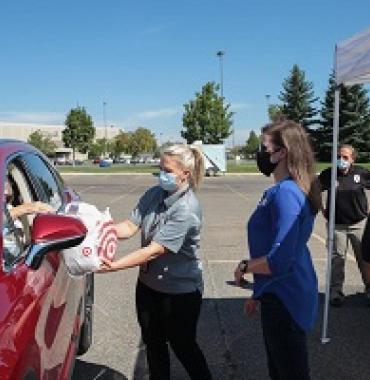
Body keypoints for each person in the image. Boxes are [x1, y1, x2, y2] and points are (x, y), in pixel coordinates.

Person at [99, 144, 212, 380]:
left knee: (184, 347)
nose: (162, 174)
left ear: (185, 174)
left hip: (179, 293)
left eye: (167, 170)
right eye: (160, 167)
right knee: (153, 344)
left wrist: (114, 266)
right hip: (149, 287)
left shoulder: (187, 209)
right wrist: (100, 230)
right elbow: (129, 227)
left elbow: (154, 251)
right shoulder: (154, 194)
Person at [235, 120, 321, 380]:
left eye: (264, 147)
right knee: (282, 368)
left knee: (289, 372)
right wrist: (259, 292)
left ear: (282, 153)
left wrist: (244, 267)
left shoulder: (286, 193)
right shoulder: (282, 190)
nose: (259, 153)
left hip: (286, 294)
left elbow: (278, 259)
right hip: (279, 289)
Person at [319, 144, 370, 306]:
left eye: (345, 157)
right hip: (337, 226)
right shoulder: (329, 174)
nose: (341, 160)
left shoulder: (361, 173)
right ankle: (335, 292)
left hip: (358, 224)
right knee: (337, 260)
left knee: (365, 260)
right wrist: (321, 209)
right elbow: (315, 189)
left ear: (352, 159)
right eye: (339, 157)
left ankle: (369, 289)